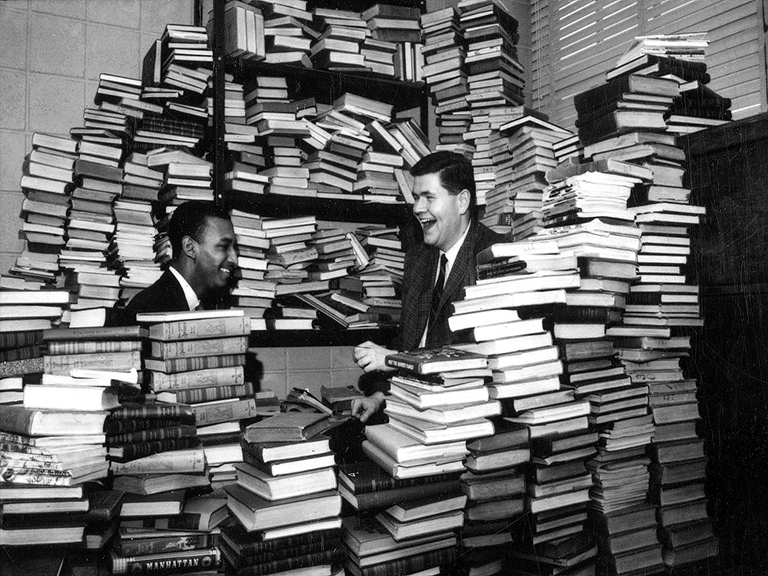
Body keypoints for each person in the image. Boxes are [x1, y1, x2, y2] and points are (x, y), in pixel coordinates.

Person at [351, 151, 505, 423]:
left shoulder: (493, 258)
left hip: (467, 417)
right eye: (415, 198)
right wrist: (379, 397)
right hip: (410, 407)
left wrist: (392, 359)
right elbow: (410, 340)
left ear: (462, 201)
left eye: (429, 197)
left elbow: (475, 359)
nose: (417, 208)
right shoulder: (418, 259)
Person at [123, 201, 238, 315]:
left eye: (235, 248)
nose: (234, 259)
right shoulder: (148, 310)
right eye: (224, 246)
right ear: (189, 247)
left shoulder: (202, 302)